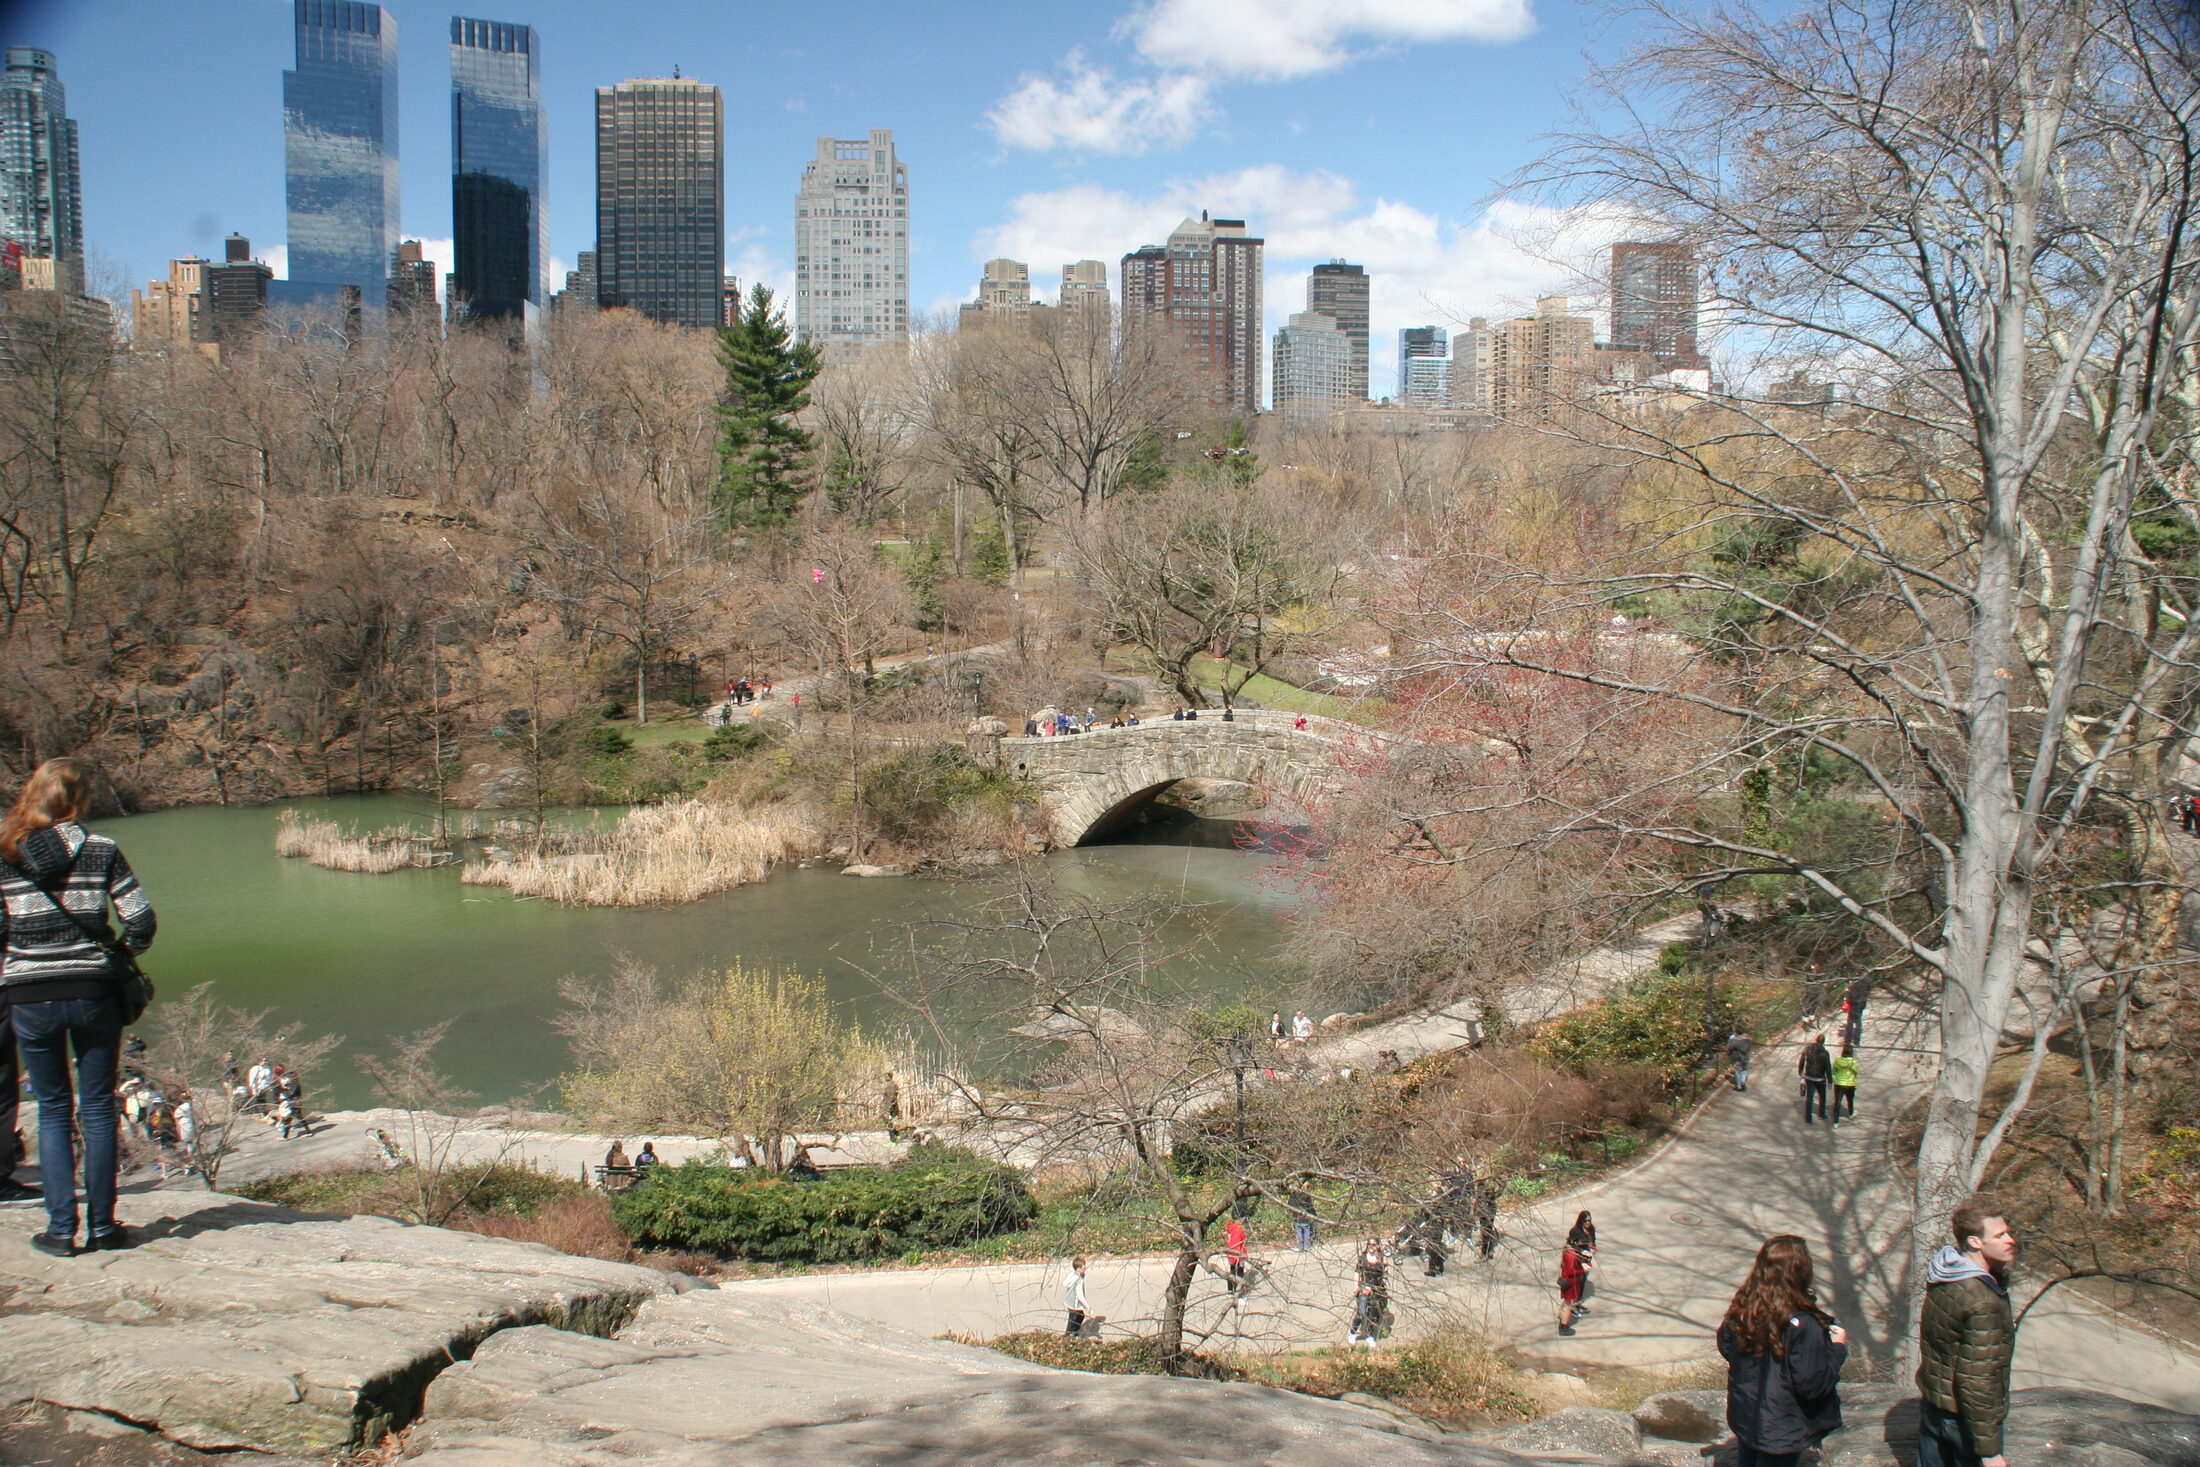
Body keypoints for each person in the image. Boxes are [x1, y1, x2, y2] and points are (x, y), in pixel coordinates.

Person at [0, 757, 158, 1257]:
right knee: (96, 1109)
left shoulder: (4, 853)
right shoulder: (101, 849)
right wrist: (114, 956)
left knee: (51, 1109)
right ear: (79, 799)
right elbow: (142, 922)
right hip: (94, 993)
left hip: (28, 995)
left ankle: (60, 1230)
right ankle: (105, 1228)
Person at [1717, 1234, 1849, 1467]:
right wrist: (1837, 1349)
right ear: (1801, 1272)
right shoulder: (1803, 1325)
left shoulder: (1745, 1308)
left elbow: (1727, 1345)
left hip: (1748, 1416)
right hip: (1782, 1427)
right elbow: (1812, 1385)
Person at [1916, 1201, 2018, 1467]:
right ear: (1975, 1242)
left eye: (2007, 1232)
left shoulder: (1946, 1271)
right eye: (2000, 1235)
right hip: (1965, 1420)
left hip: (1935, 1405)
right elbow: (1978, 1378)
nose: (2010, 1240)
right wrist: (1989, 1451)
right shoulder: (1983, 1302)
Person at [1349, 1238, 1388, 1347]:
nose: (1372, 1247)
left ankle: (1370, 1335)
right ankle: (1352, 1333)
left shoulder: (1382, 1259)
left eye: (1374, 1245)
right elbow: (1357, 1272)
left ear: (1378, 1246)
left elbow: (1384, 1277)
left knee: (1373, 1314)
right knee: (1361, 1312)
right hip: (1363, 1289)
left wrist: (1374, 1288)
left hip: (1377, 1290)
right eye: (1370, 1245)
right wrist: (1356, 1286)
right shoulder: (1362, 1259)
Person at [1558, 1238, 1591, 1334]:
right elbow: (1570, 1271)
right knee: (1568, 1305)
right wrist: (1583, 1270)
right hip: (1571, 1283)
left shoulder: (1568, 1253)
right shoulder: (1571, 1256)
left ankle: (1562, 1322)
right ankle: (1564, 1327)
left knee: (1566, 1303)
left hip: (1568, 1281)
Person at [1567, 1210, 1598, 1313]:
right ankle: (1573, 1305)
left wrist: (1593, 1248)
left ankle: (1578, 1302)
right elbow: (1570, 1245)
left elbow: (1593, 1241)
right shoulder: (1575, 1231)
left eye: (1589, 1220)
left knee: (1583, 1280)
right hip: (1578, 1259)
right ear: (1581, 1221)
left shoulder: (1591, 1229)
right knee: (1577, 1282)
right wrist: (1580, 1250)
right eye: (1586, 1221)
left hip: (1587, 1258)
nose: (1588, 1223)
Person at [1798, 1034, 1833, 1124]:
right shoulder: (1825, 1052)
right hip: (1820, 1078)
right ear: (1823, 1042)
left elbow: (1802, 1061)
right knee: (1822, 1096)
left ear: (1816, 1040)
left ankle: (1808, 1119)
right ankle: (1821, 1114)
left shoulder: (1807, 1049)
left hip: (1809, 1077)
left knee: (1809, 1098)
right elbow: (1828, 1068)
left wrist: (1800, 1073)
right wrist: (1830, 1081)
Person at [1831, 1043, 1860, 1123]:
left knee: (1837, 1101)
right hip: (1850, 1084)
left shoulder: (1837, 1060)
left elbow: (1834, 1071)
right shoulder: (1853, 1062)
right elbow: (1855, 1073)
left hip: (1839, 1083)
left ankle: (1836, 1121)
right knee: (1850, 1100)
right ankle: (1851, 1113)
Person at [1224, 1214, 1249, 1293]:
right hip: (1237, 1254)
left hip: (1231, 1253)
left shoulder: (1231, 1226)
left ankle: (1230, 1291)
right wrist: (1240, 1255)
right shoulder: (1239, 1229)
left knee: (1232, 1273)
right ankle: (1239, 1295)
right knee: (1239, 1275)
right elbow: (1238, 1243)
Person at [1065, 1255, 1089, 1337]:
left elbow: (1065, 1283)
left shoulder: (1073, 1274)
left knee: (1079, 1316)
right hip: (1073, 1303)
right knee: (1073, 1319)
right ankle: (1068, 1335)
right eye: (1083, 1267)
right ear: (1078, 1269)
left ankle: (1074, 1332)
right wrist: (1087, 1307)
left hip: (1068, 1301)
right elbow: (1080, 1295)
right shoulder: (1078, 1279)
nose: (1085, 1268)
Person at [1287, 1184, 1316, 1251]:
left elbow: (1290, 1205)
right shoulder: (1307, 1197)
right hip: (1306, 1218)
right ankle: (1306, 1246)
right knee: (1307, 1233)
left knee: (1299, 1233)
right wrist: (1314, 1216)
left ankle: (1300, 1246)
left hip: (1297, 1219)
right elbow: (1311, 1208)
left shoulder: (1293, 1196)